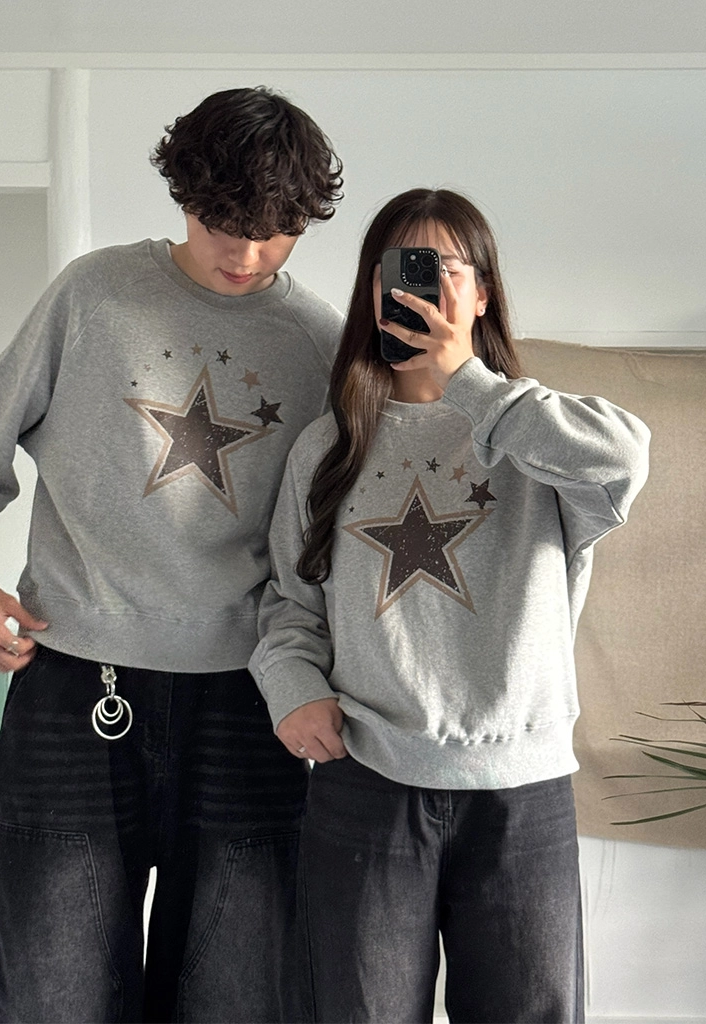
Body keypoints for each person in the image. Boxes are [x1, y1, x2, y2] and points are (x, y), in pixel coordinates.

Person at [0, 86, 343, 1024]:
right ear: (183, 194)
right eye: (223, 223)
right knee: (51, 993)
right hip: (73, 686)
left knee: (238, 998)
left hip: (249, 701)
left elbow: (333, 542)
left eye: (275, 232)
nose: (246, 255)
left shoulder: (321, 346)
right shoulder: (92, 295)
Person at [249, 187, 650, 1024]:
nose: (417, 290)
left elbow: (625, 459)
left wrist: (471, 383)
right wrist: (293, 689)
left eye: (442, 270)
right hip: (366, 776)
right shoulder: (327, 447)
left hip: (522, 785)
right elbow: (290, 604)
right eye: (397, 271)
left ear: (484, 292)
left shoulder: (534, 435)